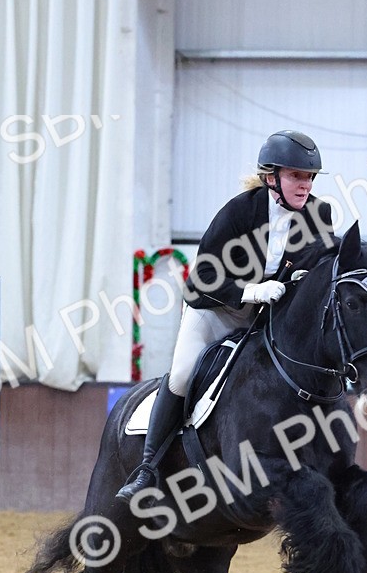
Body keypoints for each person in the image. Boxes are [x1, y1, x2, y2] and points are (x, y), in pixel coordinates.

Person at [116, 129, 336, 503]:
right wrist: (249, 291)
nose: (305, 185)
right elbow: (202, 277)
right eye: (297, 176)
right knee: (184, 374)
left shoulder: (319, 214)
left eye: (309, 177)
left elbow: (323, 268)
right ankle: (147, 469)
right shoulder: (239, 211)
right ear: (271, 177)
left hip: (266, 321)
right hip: (215, 310)